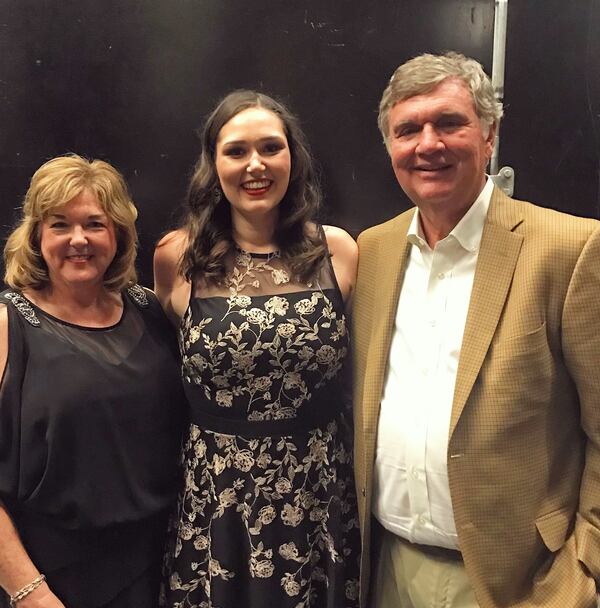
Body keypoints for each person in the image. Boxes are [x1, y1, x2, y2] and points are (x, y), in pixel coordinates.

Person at [352, 51, 600, 608]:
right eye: (408, 129)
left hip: (518, 583)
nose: (428, 144)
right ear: (390, 148)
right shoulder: (373, 250)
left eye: (450, 123)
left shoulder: (570, 250)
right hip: (386, 569)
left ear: (489, 136)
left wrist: (581, 577)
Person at [154, 89, 360, 607]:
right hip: (216, 498)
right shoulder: (177, 256)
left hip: (318, 494)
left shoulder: (337, 250)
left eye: (271, 147)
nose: (255, 165)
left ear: (293, 157)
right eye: (236, 151)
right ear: (213, 164)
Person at [0, 155, 185, 608]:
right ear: (37, 236)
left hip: (158, 566)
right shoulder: (7, 325)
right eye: (60, 224)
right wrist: (30, 594)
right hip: (53, 581)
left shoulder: (147, 309)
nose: (78, 239)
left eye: (94, 224)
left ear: (117, 234)